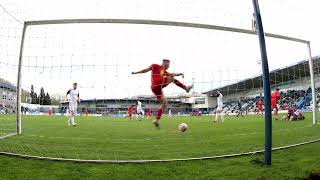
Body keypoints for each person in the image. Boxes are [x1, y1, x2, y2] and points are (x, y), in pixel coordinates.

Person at [132, 59, 193, 128]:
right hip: (157, 84)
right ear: (165, 63)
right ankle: (186, 88)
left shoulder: (164, 71)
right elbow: (145, 70)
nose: (169, 66)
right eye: (168, 64)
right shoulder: (155, 66)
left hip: (156, 88)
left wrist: (179, 74)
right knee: (171, 78)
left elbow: (171, 74)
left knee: (164, 104)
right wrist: (135, 72)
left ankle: (157, 120)